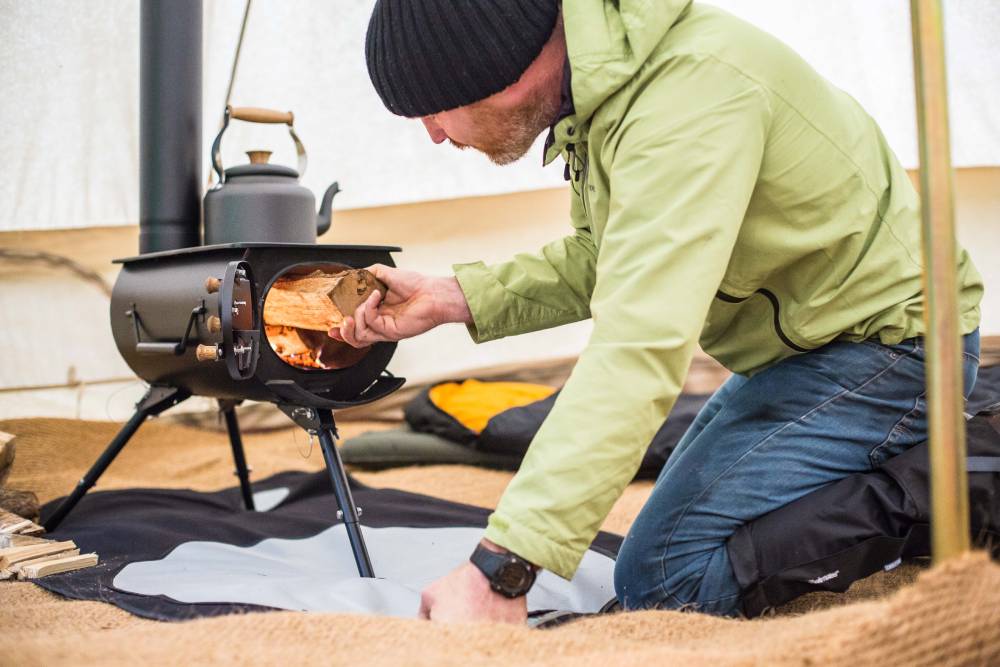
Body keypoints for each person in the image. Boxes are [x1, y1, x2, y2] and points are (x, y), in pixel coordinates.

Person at [339, 0, 983, 623]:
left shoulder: (686, 99)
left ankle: (959, 484)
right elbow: (608, 253)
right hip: (800, 352)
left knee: (667, 574)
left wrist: (502, 570)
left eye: (432, 108)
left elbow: (637, 348)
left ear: (496, 73)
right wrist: (455, 297)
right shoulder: (608, 79)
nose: (431, 133)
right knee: (676, 532)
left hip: (891, 347)